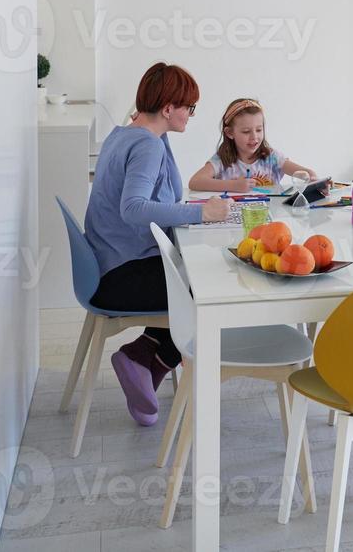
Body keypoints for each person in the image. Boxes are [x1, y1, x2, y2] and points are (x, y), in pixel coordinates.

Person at [85, 62, 229, 425]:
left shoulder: (125, 134)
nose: (192, 115)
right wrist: (203, 215)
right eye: (188, 107)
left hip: (108, 266)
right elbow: (133, 208)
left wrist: (161, 133)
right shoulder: (146, 146)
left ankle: (144, 362)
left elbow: (165, 191)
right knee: (209, 291)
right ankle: (145, 361)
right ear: (168, 108)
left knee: (195, 279)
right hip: (120, 277)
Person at [187, 97, 317, 192]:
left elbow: (304, 173)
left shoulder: (272, 157)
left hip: (268, 220)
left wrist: (313, 178)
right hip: (234, 220)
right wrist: (234, 186)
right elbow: (195, 182)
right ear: (230, 133)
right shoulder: (222, 160)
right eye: (246, 131)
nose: (254, 137)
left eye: (259, 130)